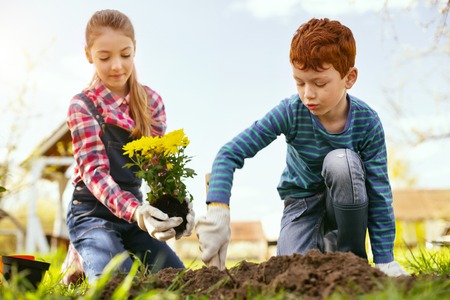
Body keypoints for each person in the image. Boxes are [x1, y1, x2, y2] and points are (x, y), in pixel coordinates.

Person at [195, 18, 409, 277]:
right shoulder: (291, 112)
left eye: (319, 84)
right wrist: (219, 209)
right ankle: (325, 247)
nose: (308, 94)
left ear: (349, 78)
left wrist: (385, 259)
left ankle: (352, 260)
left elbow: (379, 191)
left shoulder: (367, 122)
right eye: (300, 82)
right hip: (301, 206)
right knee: (291, 272)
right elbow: (230, 153)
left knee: (342, 162)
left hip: (346, 200)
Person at [63, 9, 194, 283]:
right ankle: (85, 252)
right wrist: (136, 211)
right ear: (88, 55)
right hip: (90, 212)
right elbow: (94, 172)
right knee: (115, 281)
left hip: (134, 217)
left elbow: (159, 167)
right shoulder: (83, 106)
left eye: (125, 54)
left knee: (176, 278)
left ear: (135, 50)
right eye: (104, 57)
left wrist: (181, 206)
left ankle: (93, 256)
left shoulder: (152, 103)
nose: (117, 66)